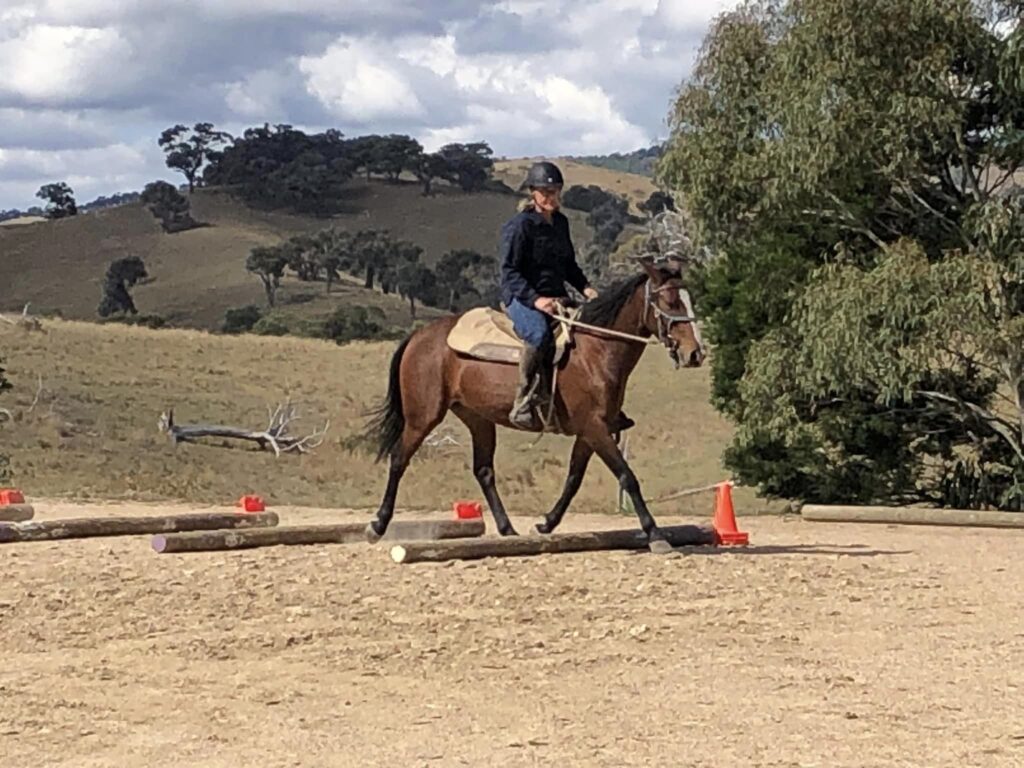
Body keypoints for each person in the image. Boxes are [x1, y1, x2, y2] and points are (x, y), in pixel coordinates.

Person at [498, 160, 633, 433]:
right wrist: (536, 300)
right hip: (521, 298)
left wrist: (585, 288)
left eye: (555, 191)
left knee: (589, 333)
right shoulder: (520, 226)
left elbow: (569, 265)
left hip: (557, 297)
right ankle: (524, 400)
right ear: (532, 193)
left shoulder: (560, 223)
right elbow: (509, 271)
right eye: (545, 192)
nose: (551, 197)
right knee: (538, 335)